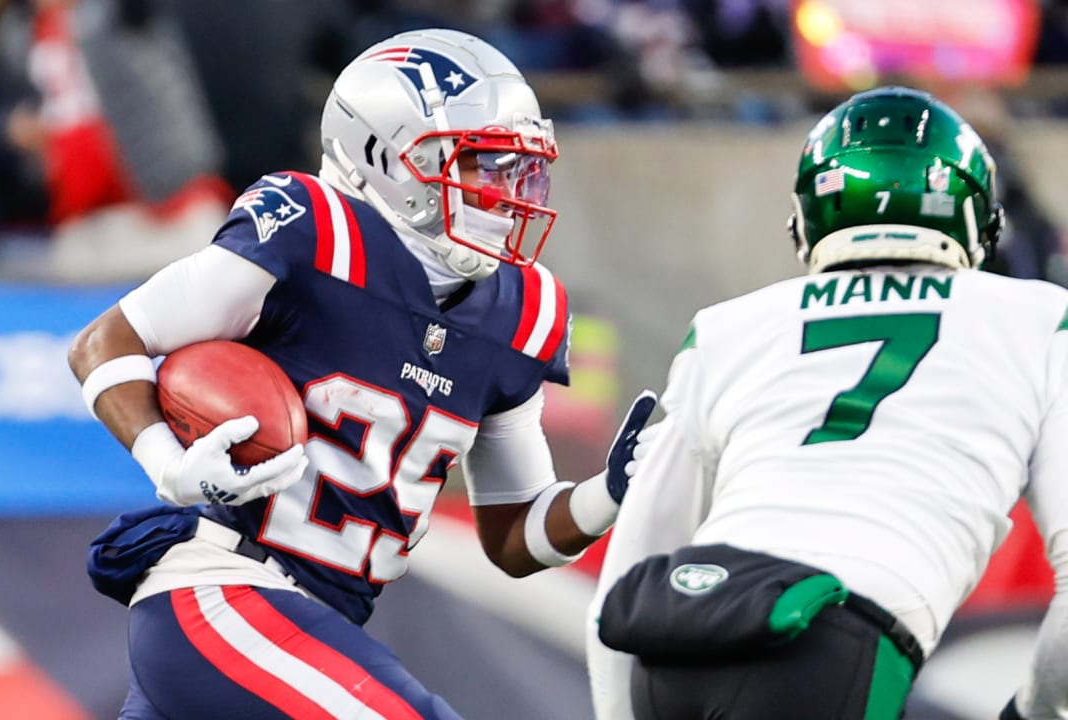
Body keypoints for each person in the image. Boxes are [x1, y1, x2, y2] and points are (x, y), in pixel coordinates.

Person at [68, 27, 652, 719]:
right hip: (227, 590)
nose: (505, 193)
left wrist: (606, 496)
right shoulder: (316, 232)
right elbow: (106, 341)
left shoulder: (523, 313)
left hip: (316, 627)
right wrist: (168, 462)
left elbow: (513, 536)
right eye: (481, 165)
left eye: (516, 169)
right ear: (388, 158)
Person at [585, 85, 1068, 720]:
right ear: (980, 216)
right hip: (831, 642)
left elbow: (633, 564)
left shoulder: (729, 326)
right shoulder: (1041, 319)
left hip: (676, 635)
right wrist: (1035, 710)